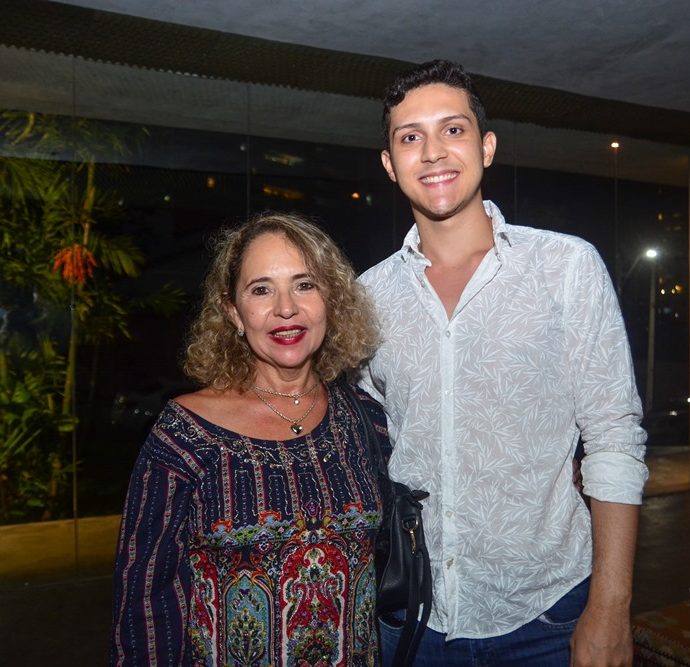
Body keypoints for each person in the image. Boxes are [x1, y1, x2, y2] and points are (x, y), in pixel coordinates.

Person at [357, 60, 648, 666]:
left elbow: (614, 438)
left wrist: (611, 604)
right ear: (389, 164)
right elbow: (367, 436)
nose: (432, 152)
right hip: (416, 619)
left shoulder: (565, 268)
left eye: (453, 130)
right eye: (410, 137)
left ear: (486, 147)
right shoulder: (367, 297)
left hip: (547, 615)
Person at [111, 211, 389, 666]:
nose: (286, 308)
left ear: (331, 301)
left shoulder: (366, 419)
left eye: (305, 284)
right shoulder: (185, 434)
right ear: (233, 312)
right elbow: (144, 601)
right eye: (261, 289)